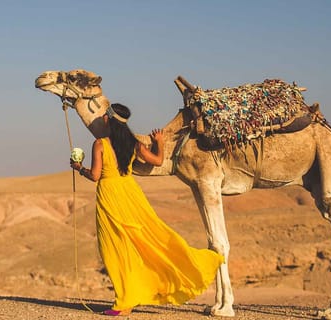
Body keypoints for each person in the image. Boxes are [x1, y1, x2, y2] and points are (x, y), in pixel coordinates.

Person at [70, 103, 224, 316]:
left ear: (109, 119)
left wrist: (79, 168)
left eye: (105, 115)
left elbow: (95, 176)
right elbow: (158, 160)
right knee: (148, 240)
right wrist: (159, 143)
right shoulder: (133, 143)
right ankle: (129, 298)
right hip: (131, 194)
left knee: (115, 249)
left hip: (110, 196)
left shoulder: (99, 144)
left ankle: (124, 302)